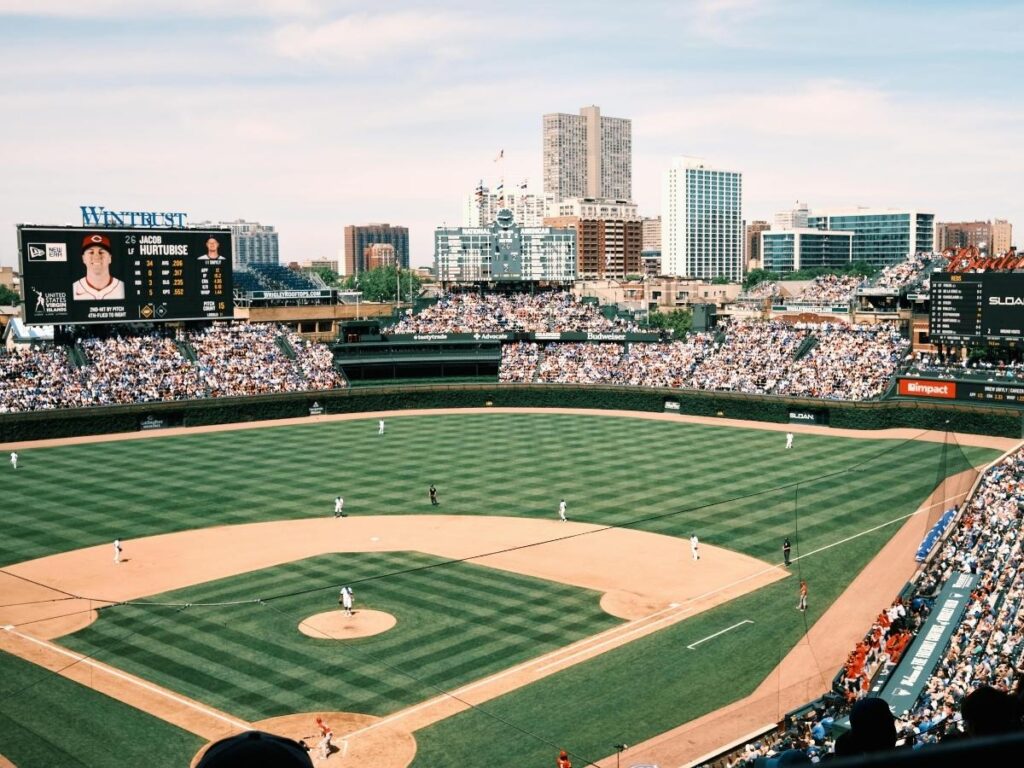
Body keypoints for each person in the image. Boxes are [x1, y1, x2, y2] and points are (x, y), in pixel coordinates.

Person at [73, 233, 125, 301]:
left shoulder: (122, 288)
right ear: (83, 258)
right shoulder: (73, 288)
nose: (96, 257)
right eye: (91, 252)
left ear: (110, 258)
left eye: (101, 252)